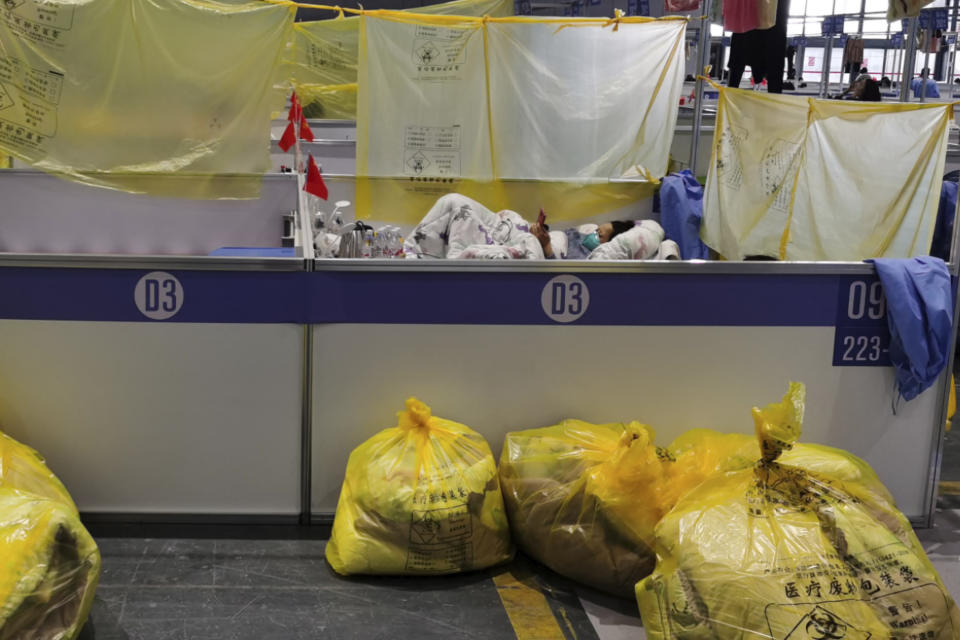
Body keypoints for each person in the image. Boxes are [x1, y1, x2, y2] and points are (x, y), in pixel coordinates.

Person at [531, 221, 634, 259]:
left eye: (600, 236)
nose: (594, 234)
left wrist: (546, 246)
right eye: (596, 230)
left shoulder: (588, 258)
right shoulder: (580, 236)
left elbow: (558, 272)